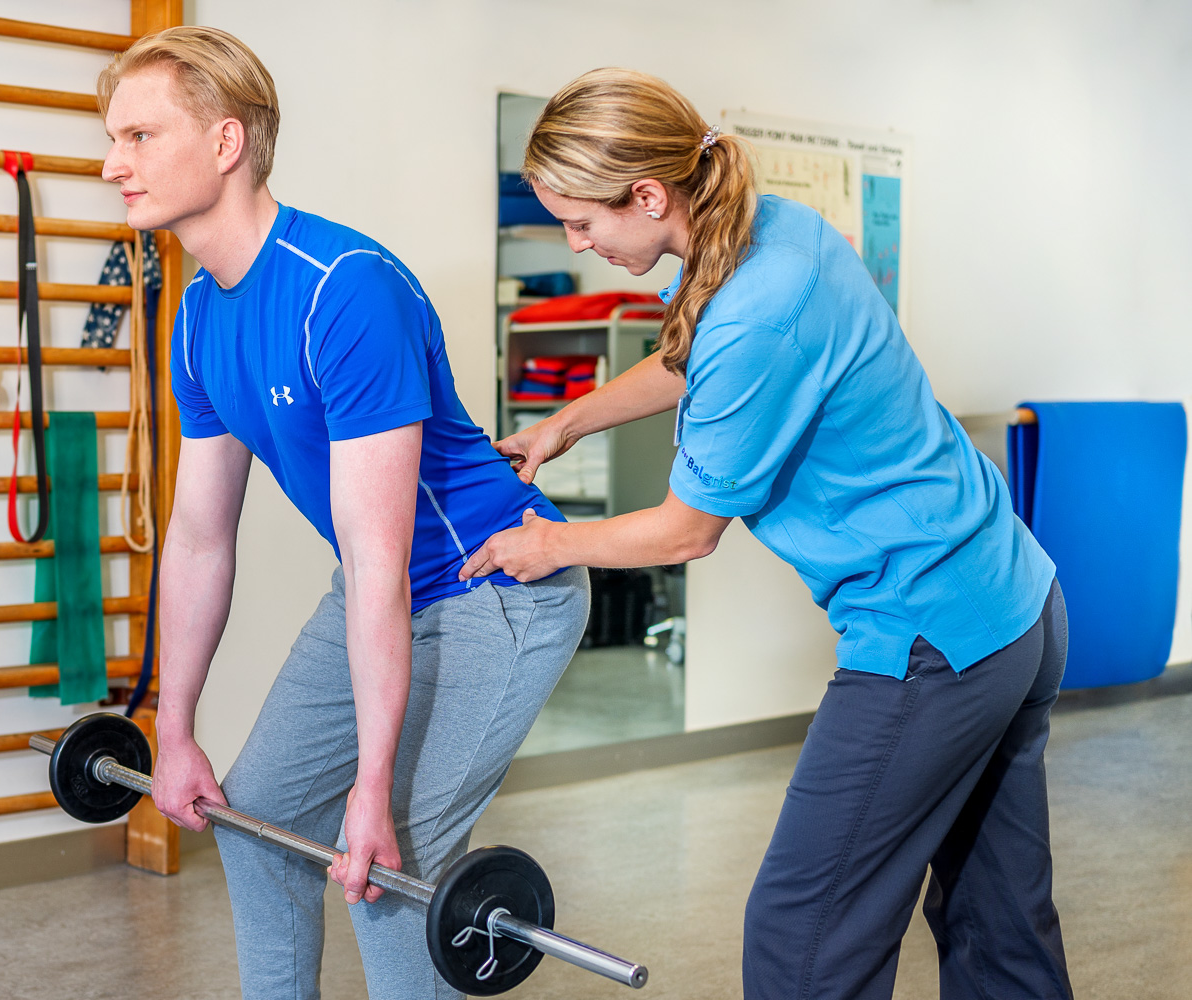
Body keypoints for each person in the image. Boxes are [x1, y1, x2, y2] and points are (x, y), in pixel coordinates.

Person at [464, 68, 1073, 1000]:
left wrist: (546, 545)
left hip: (933, 635)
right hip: (1018, 602)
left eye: (583, 224)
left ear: (649, 195)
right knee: (998, 926)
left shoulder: (758, 307)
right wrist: (565, 422)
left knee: (802, 937)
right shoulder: (768, 230)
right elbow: (686, 356)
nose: (576, 244)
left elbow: (683, 534)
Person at [97, 27, 590, 1000]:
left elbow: (379, 556)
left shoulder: (342, 289)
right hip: (381, 585)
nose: (113, 163)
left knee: (388, 865)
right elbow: (199, 538)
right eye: (112, 138)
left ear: (227, 142)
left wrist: (370, 789)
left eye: (141, 136)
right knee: (262, 817)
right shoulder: (200, 316)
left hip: (493, 586)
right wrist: (177, 723)